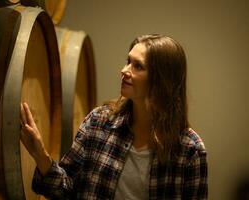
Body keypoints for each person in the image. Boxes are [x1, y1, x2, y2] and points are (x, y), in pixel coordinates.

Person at [20, 34, 208, 199]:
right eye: (128, 61)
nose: (124, 70)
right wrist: (39, 153)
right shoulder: (98, 122)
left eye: (138, 66)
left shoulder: (189, 150)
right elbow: (65, 190)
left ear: (161, 80)